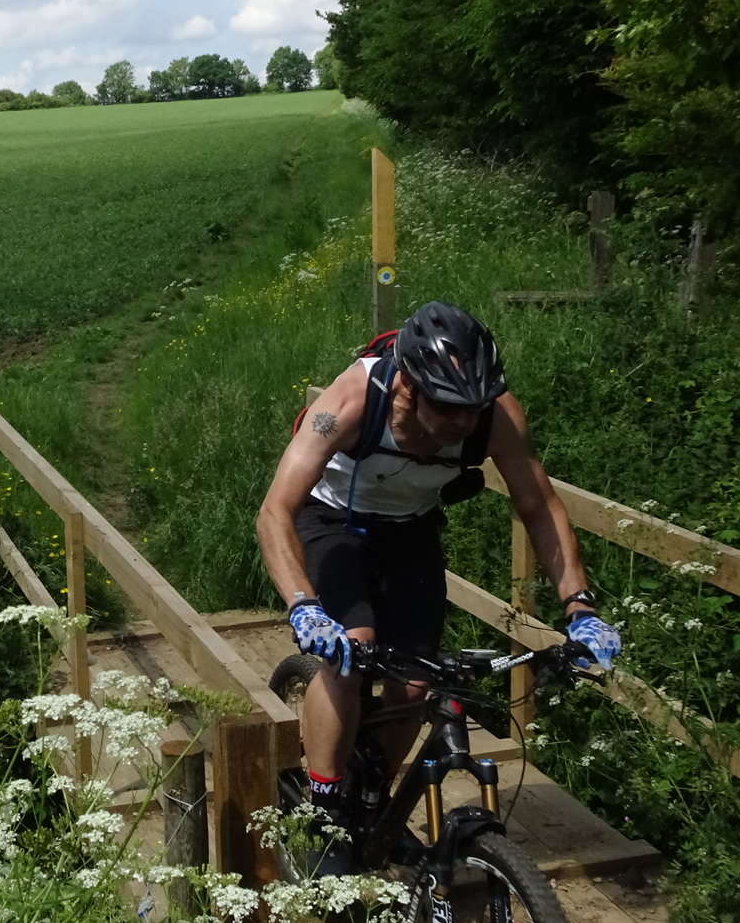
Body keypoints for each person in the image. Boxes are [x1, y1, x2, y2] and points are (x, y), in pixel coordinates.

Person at [255, 301, 620, 876]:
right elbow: (275, 511)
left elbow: (538, 504)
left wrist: (580, 607)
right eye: (448, 407)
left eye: (473, 408)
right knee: (351, 650)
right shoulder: (354, 401)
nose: (462, 423)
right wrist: (304, 607)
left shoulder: (494, 415)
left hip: (408, 528)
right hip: (332, 521)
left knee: (415, 681)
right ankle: (322, 813)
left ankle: (373, 794)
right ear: (407, 386)